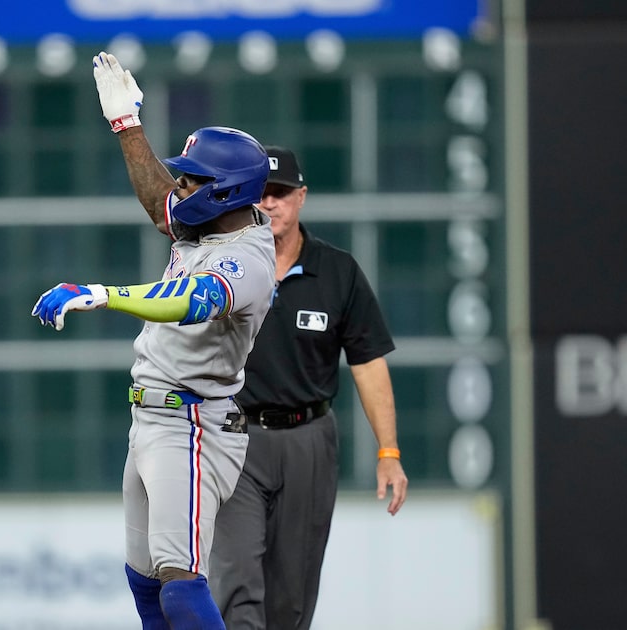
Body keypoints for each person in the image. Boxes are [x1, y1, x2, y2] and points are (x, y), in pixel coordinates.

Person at [32, 52, 276, 628]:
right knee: (144, 581)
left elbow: (191, 301)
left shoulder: (250, 257)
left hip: (194, 423)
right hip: (152, 418)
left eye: (196, 177)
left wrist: (104, 293)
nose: (183, 183)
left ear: (227, 191)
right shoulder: (213, 220)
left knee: (179, 578)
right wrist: (128, 126)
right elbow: (159, 200)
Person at [208, 146, 409, 630]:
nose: (269, 204)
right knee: (234, 581)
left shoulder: (337, 271)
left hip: (308, 439)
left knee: (292, 595)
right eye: (258, 194)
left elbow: (368, 364)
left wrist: (388, 452)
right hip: (235, 436)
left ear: (301, 197)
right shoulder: (220, 266)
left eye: (279, 193)